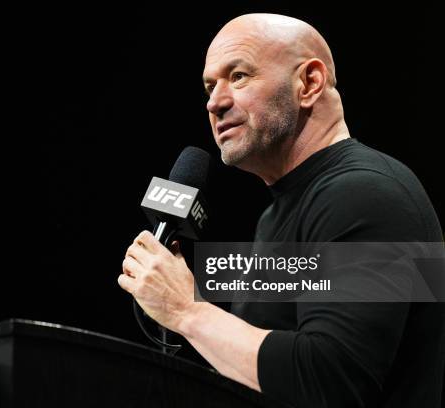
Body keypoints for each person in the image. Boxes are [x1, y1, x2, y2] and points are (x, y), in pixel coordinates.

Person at [117, 13, 445, 408]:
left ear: (309, 83)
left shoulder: (369, 194)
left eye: (238, 76)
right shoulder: (277, 214)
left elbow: (330, 382)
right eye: (210, 85)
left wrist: (187, 310)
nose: (215, 102)